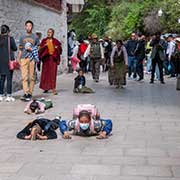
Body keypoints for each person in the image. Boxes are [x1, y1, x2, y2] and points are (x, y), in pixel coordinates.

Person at [17, 20, 40, 102]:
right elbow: (20, 48)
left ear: (32, 27)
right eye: (27, 26)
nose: (28, 27)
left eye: (30, 26)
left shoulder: (35, 37)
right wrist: (18, 58)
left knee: (32, 77)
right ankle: (26, 93)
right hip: (24, 58)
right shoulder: (22, 37)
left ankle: (30, 93)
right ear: (25, 27)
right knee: (24, 77)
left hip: (32, 58)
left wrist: (32, 49)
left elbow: (38, 48)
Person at [38, 28, 62, 95]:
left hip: (53, 59)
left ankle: (53, 88)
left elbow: (60, 50)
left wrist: (57, 48)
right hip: (46, 59)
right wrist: (44, 46)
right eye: (48, 32)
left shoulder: (56, 41)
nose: (49, 33)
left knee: (52, 74)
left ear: (53, 33)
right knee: (45, 74)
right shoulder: (44, 41)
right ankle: (46, 88)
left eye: (50, 32)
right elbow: (40, 50)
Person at [0, 25, 17, 102]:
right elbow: (15, 48)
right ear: (7, 31)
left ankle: (1, 95)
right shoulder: (10, 39)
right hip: (8, 61)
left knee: (2, 78)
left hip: (1, 62)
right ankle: (9, 95)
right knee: (9, 78)